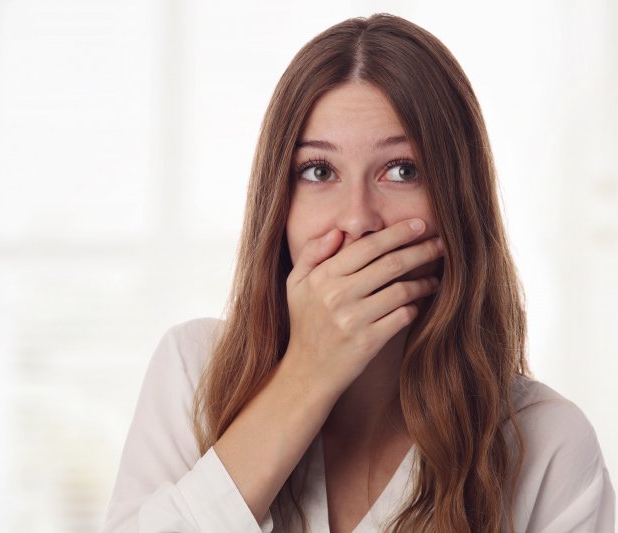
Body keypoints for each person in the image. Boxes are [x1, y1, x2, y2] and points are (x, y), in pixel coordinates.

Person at [102, 13, 615, 533]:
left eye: (402, 170)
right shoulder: (193, 371)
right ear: (280, 207)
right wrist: (307, 374)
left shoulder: (549, 440)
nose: (358, 218)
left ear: (458, 202)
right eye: (319, 172)